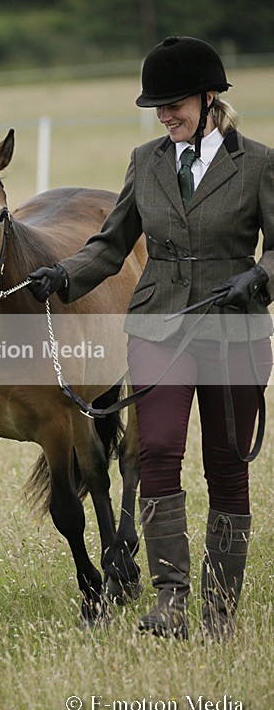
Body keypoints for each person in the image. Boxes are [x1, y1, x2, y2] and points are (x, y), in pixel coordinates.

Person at [27, 36, 273, 641]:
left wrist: (261, 278)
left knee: (226, 463)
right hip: (159, 326)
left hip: (232, 332)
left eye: (174, 104)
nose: (164, 115)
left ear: (209, 98)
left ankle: (217, 609)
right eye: (157, 106)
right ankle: (169, 599)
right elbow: (111, 245)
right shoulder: (146, 161)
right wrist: (63, 275)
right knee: (157, 450)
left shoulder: (259, 164)